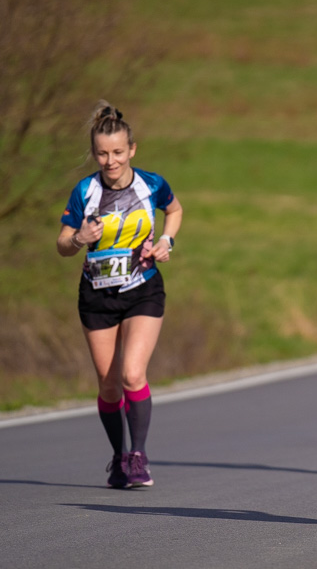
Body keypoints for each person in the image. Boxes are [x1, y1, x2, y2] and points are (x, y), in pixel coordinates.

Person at [57, 102, 183, 488]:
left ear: (131, 149)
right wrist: (79, 238)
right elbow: (62, 244)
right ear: (94, 154)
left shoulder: (152, 184)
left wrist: (166, 241)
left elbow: (174, 211)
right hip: (96, 296)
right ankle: (118, 457)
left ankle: (138, 457)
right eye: (101, 153)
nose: (109, 161)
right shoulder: (85, 191)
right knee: (108, 383)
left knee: (132, 374)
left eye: (116, 152)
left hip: (142, 288)